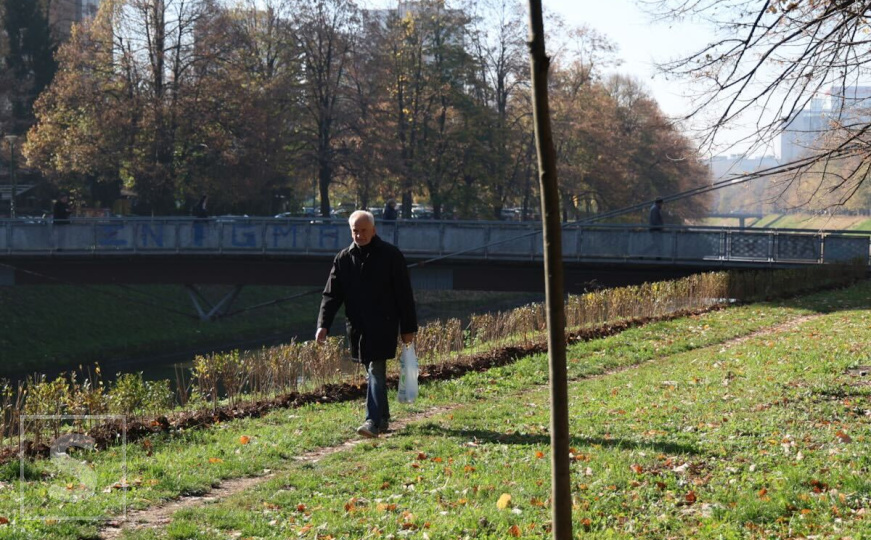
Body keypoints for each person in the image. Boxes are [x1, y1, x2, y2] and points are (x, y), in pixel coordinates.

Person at [316, 210, 418, 438]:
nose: (359, 235)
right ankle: (383, 417)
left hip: (384, 325)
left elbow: (404, 294)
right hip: (357, 328)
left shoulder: (391, 255)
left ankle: (371, 421)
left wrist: (408, 328)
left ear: (373, 230)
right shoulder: (343, 258)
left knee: (375, 369)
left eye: (364, 231)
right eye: (355, 231)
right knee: (372, 371)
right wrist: (323, 325)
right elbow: (331, 295)